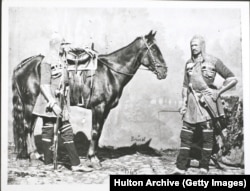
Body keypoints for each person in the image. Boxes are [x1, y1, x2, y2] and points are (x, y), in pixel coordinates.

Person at [173, 35, 238, 174]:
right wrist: (183, 103)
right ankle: (180, 167)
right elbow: (185, 86)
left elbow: (232, 78)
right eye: (191, 45)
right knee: (185, 136)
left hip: (207, 103)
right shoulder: (188, 63)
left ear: (202, 45)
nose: (193, 47)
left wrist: (218, 92)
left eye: (196, 45)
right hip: (191, 102)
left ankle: (204, 166)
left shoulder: (213, 61)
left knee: (207, 136)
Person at [32, 32, 93, 172]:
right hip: (49, 102)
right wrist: (53, 104)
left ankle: (74, 164)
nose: (64, 47)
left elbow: (73, 50)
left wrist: (85, 48)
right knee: (49, 129)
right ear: (56, 45)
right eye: (62, 44)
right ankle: (50, 163)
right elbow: (44, 85)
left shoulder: (62, 59)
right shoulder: (46, 62)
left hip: (61, 101)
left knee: (65, 131)